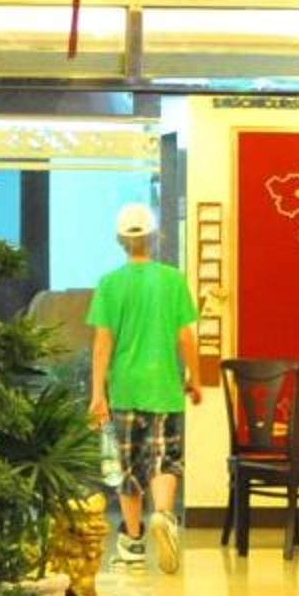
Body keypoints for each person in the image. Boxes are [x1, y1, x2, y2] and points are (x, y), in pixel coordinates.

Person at [87, 203, 201, 574]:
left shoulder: (109, 284)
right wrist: (195, 377)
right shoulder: (172, 280)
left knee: (129, 466)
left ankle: (133, 545)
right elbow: (186, 337)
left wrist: (98, 394)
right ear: (154, 237)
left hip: (125, 389)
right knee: (165, 459)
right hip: (164, 387)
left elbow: (102, 343)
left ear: (120, 240)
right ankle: (164, 516)